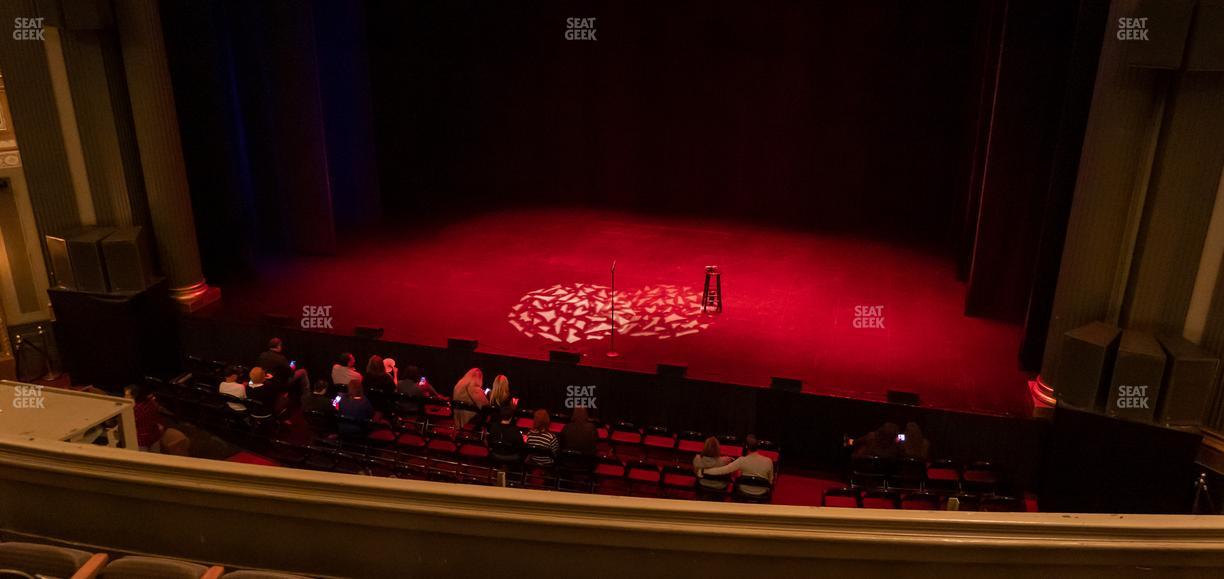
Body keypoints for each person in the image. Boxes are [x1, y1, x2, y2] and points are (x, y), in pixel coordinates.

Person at [698, 435, 775, 495]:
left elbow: (722, 470)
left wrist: (704, 471)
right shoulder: (769, 461)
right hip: (762, 491)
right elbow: (771, 481)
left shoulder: (741, 460)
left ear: (746, 447)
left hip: (744, 489)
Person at [125, 383, 165, 452]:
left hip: (142, 440)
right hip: (154, 436)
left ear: (135, 396)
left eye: (127, 395)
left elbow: (129, 423)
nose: (124, 397)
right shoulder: (151, 402)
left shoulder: (135, 409)